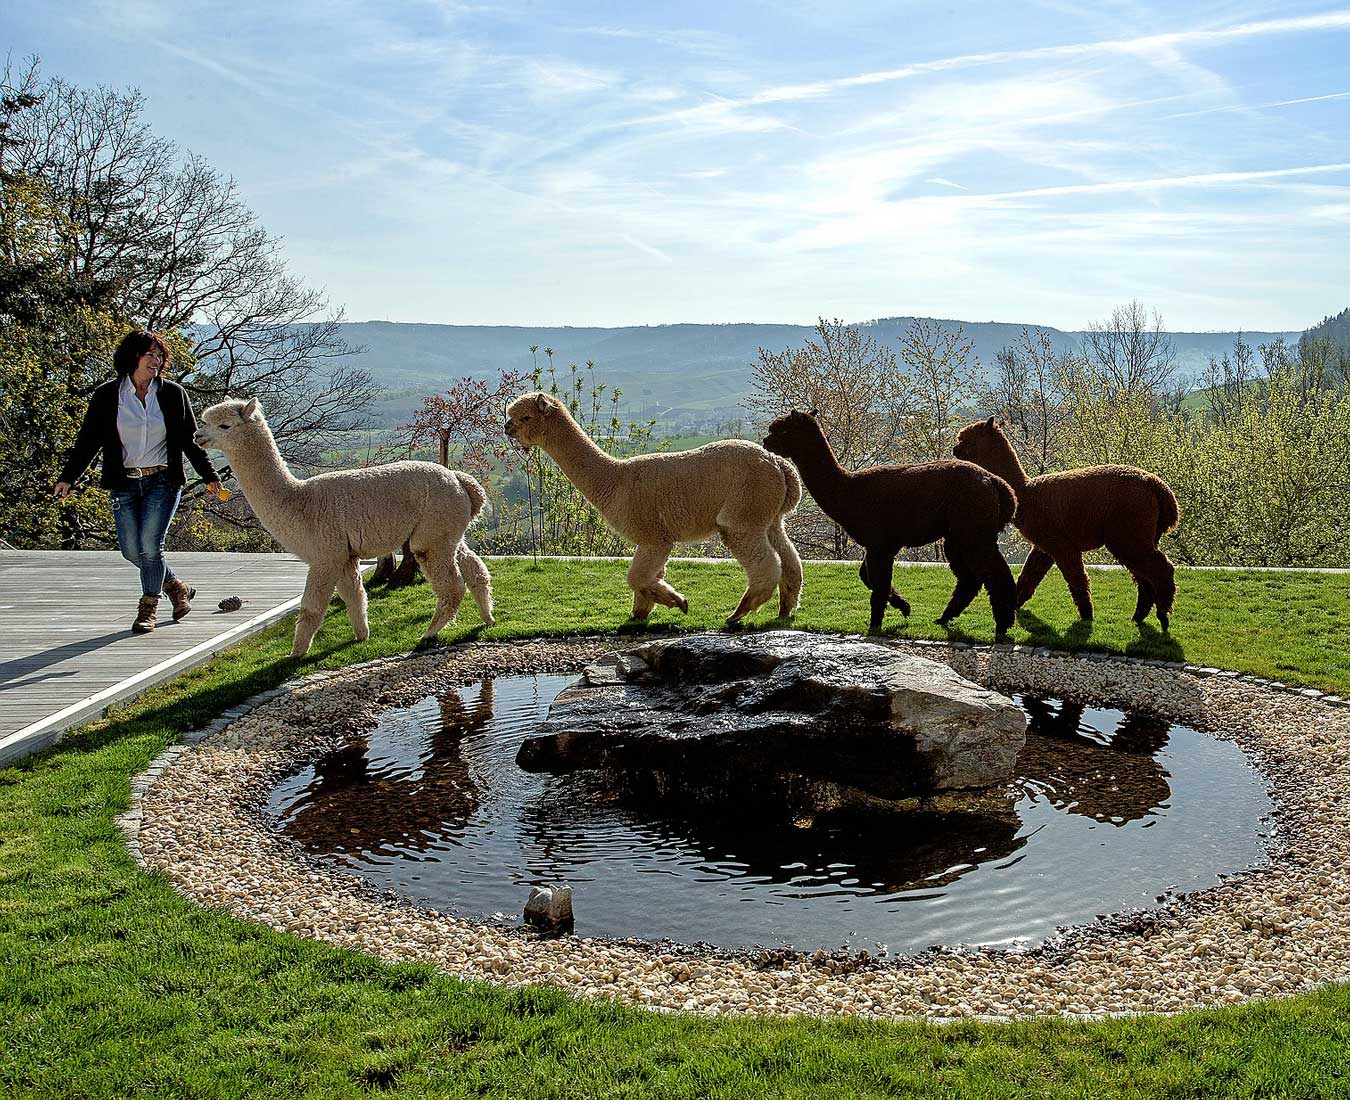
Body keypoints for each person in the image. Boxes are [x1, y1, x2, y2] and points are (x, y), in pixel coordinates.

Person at [54, 330, 223, 634]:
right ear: (133, 357)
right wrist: (69, 477)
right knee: (132, 551)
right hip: (124, 483)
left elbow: (189, 439)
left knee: (151, 545)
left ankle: (149, 607)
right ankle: (175, 585)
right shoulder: (108, 396)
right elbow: (88, 440)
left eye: (160, 356)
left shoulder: (172, 394)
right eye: (150, 355)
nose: (157, 361)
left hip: (163, 479)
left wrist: (209, 475)